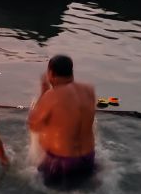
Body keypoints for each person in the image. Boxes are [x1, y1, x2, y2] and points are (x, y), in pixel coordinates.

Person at [28, 55, 96, 187]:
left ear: (51, 73)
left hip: (61, 163)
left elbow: (34, 125)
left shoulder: (51, 96)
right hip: (88, 158)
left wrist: (43, 92)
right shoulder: (89, 90)